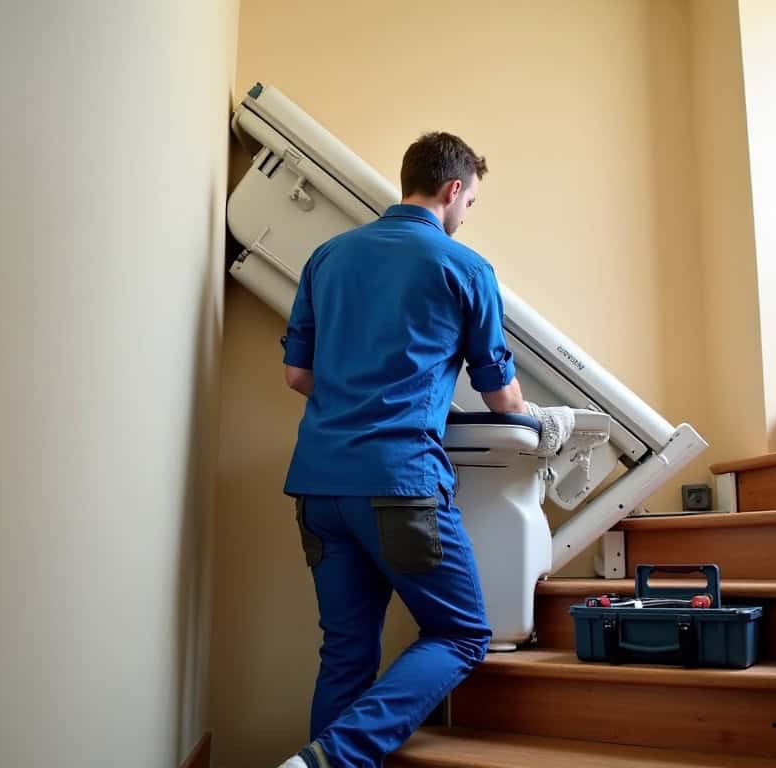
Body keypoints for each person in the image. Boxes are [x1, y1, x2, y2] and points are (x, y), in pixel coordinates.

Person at [277, 133, 567, 768]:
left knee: (348, 647)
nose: (467, 215)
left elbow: (298, 376)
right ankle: (332, 758)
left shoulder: (327, 256)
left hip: (319, 484)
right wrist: (547, 422)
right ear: (454, 190)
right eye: (472, 201)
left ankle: (320, 761)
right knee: (462, 632)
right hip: (399, 482)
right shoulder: (464, 268)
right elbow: (501, 396)